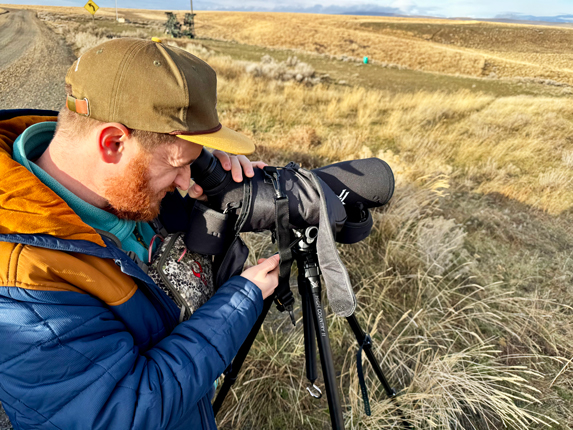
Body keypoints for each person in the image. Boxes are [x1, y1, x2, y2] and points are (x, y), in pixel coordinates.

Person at [0, 37, 279, 429]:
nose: (185, 180)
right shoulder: (21, 281)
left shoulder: (122, 189)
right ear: (112, 143)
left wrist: (219, 189)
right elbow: (124, 413)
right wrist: (239, 303)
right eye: (178, 164)